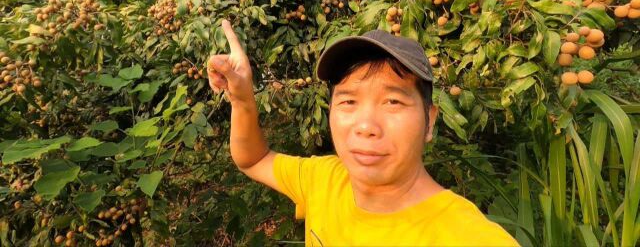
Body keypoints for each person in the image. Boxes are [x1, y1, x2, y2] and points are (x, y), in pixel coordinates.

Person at [207, 19, 519, 247]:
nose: (366, 125)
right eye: (349, 101)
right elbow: (253, 159)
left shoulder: (468, 236)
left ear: (429, 121)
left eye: (393, 101)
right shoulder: (325, 180)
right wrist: (243, 98)